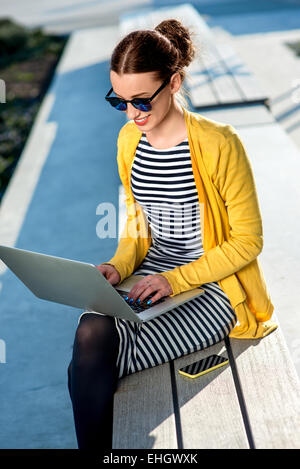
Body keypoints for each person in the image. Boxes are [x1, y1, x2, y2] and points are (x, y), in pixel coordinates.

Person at [67, 19, 277, 450]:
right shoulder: (129, 139)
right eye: (119, 101)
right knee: (91, 327)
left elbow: (248, 240)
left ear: (174, 82)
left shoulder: (220, 143)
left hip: (214, 286)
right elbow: (135, 223)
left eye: (142, 100)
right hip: (153, 273)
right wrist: (118, 265)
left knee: (96, 350)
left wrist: (175, 280)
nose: (132, 113)